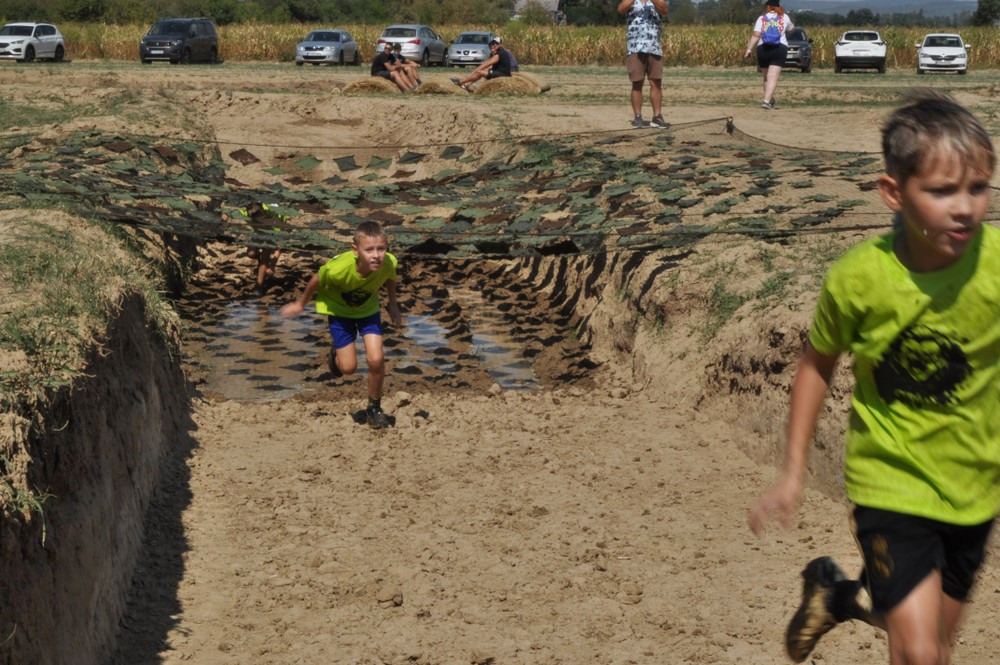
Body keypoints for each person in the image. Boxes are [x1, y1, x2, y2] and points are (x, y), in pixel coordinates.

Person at [749, 89, 998, 665]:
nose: (965, 207)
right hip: (890, 483)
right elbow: (816, 366)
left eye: (979, 187)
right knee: (920, 651)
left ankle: (838, 595)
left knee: (931, 643)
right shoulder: (859, 280)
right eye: (942, 191)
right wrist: (792, 473)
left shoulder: (995, 265)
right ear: (893, 192)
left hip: (975, 488)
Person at [280, 221, 402, 429]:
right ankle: (336, 352)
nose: (376, 255)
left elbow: (390, 276)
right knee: (348, 368)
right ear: (355, 250)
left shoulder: (388, 262)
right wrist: (300, 304)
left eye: (381, 249)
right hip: (339, 313)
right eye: (369, 250)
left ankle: (374, 408)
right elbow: (316, 280)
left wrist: (393, 303)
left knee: (376, 359)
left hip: (368, 312)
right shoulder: (339, 269)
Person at [618, 0, 669, 129]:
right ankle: (638, 116)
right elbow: (621, 9)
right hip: (635, 47)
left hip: (654, 47)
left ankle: (657, 117)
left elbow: (664, 10)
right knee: (637, 83)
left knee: (655, 83)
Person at [222, 201, 287, 288]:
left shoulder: (275, 214)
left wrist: (272, 265)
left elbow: (280, 245)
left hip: (272, 232)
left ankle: (258, 287)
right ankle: (261, 264)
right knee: (251, 253)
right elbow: (232, 211)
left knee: (265, 257)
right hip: (258, 232)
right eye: (257, 221)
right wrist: (226, 214)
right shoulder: (247, 211)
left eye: (261, 220)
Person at [744, 0, 793, 110]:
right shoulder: (784, 17)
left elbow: (756, 35)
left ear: (768, 6)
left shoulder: (762, 18)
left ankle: (769, 100)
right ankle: (766, 101)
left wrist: (749, 49)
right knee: (773, 76)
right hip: (779, 48)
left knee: (766, 77)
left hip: (763, 48)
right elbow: (791, 29)